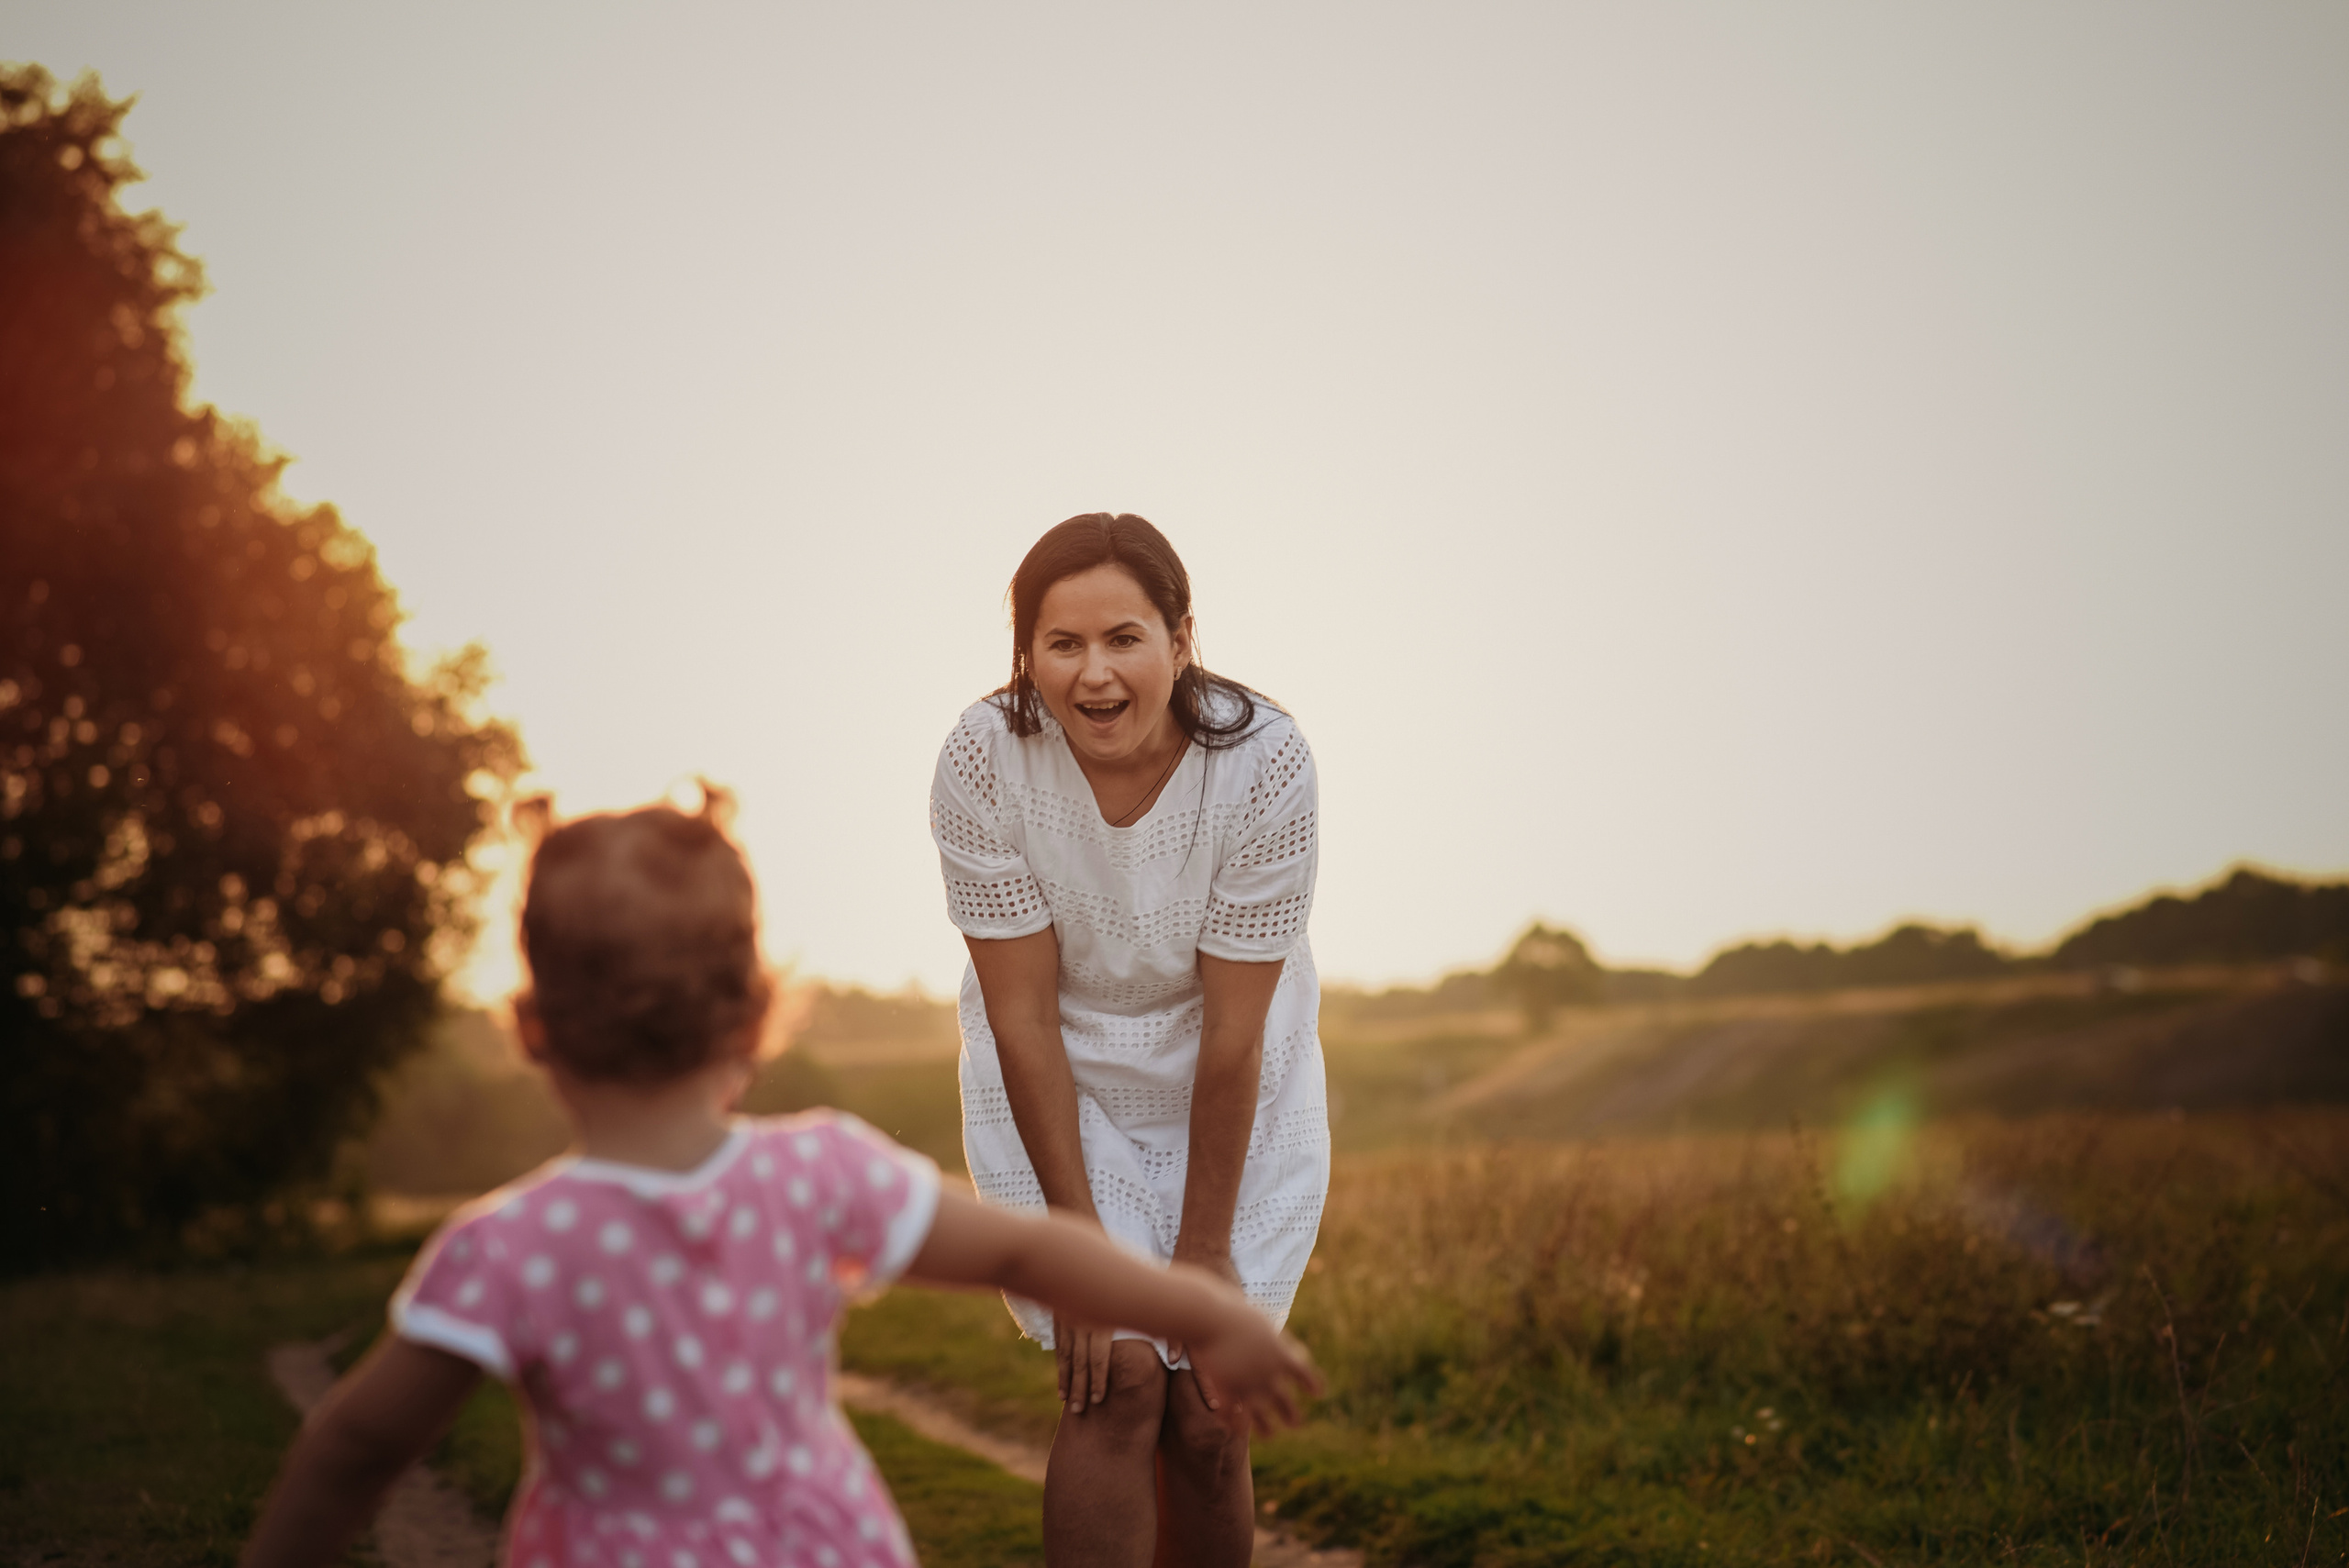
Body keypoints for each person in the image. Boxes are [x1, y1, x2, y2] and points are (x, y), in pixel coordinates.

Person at [241, 791, 1318, 1568]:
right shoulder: (814, 1175)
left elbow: (355, 1445)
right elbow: (1029, 1249)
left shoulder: (508, 1246)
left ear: (528, 1029)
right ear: (759, 1013)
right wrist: (1205, 1310)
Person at [930, 513, 1329, 1567]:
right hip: (1058, 1071)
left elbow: (1235, 1034)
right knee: (1117, 1381)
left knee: (1205, 1402)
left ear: (1180, 639)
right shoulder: (982, 758)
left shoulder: (1266, 763)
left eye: (1124, 638)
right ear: (1026, 654)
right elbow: (1019, 1014)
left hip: (1231, 1065)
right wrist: (1078, 1254)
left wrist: (1200, 1256)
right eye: (1062, 645)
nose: (1094, 674)